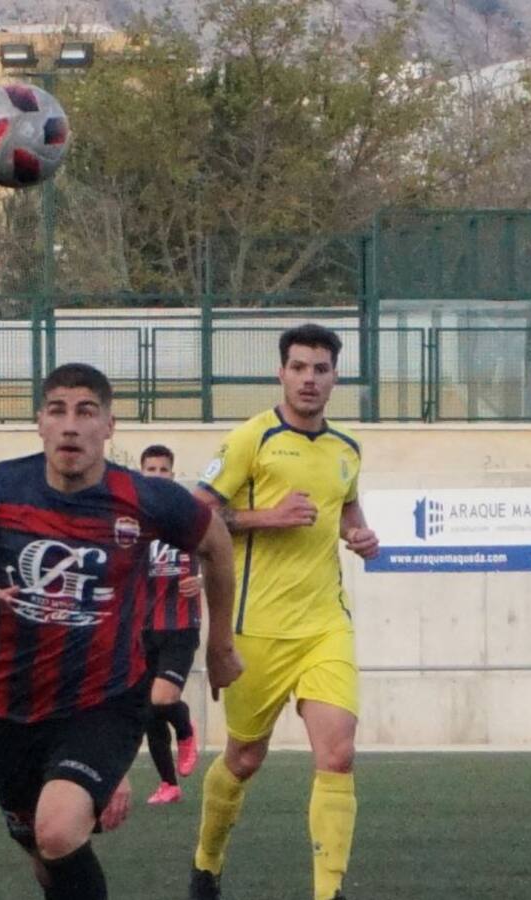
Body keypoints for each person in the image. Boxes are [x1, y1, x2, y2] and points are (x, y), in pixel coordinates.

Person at [0, 362, 243, 900]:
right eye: (58, 411)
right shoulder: (1, 488)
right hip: (8, 703)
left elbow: (217, 544)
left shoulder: (145, 498)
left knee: (58, 830)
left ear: (108, 426)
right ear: (39, 422)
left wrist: (222, 644)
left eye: (86, 412)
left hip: (104, 698)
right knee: (43, 851)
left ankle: (95, 782)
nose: (71, 426)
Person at [187, 324, 380, 900]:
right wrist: (263, 517)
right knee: (244, 759)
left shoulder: (347, 448)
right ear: (281, 373)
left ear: (334, 378)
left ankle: (329, 891)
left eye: (320, 369)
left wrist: (360, 534)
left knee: (338, 752)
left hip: (325, 625)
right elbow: (195, 517)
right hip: (256, 630)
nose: (309, 379)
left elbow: (345, 507)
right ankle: (206, 864)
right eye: (298, 368)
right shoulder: (253, 438)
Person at [139, 444, 203, 805]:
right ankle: (169, 784)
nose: (158, 476)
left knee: (162, 698)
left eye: (164, 470)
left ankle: (185, 727)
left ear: (172, 474)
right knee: (148, 712)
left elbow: (221, 551)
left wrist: (204, 579)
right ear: (141, 473)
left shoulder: (189, 514)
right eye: (152, 469)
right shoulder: (132, 520)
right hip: (142, 628)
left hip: (180, 625)